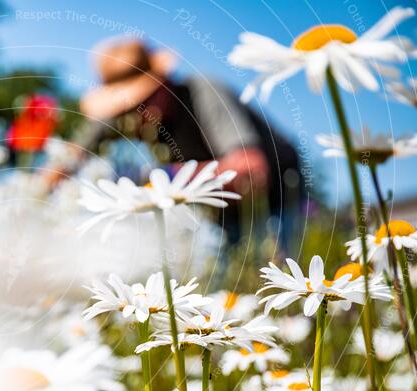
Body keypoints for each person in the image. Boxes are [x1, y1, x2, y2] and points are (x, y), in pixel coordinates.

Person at [51, 38, 303, 245]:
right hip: (216, 216)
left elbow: (249, 168)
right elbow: (68, 159)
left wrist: (160, 178)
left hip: (272, 203)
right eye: (125, 108)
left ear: (163, 82)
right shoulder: (127, 116)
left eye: (143, 99)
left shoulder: (203, 93)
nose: (136, 115)